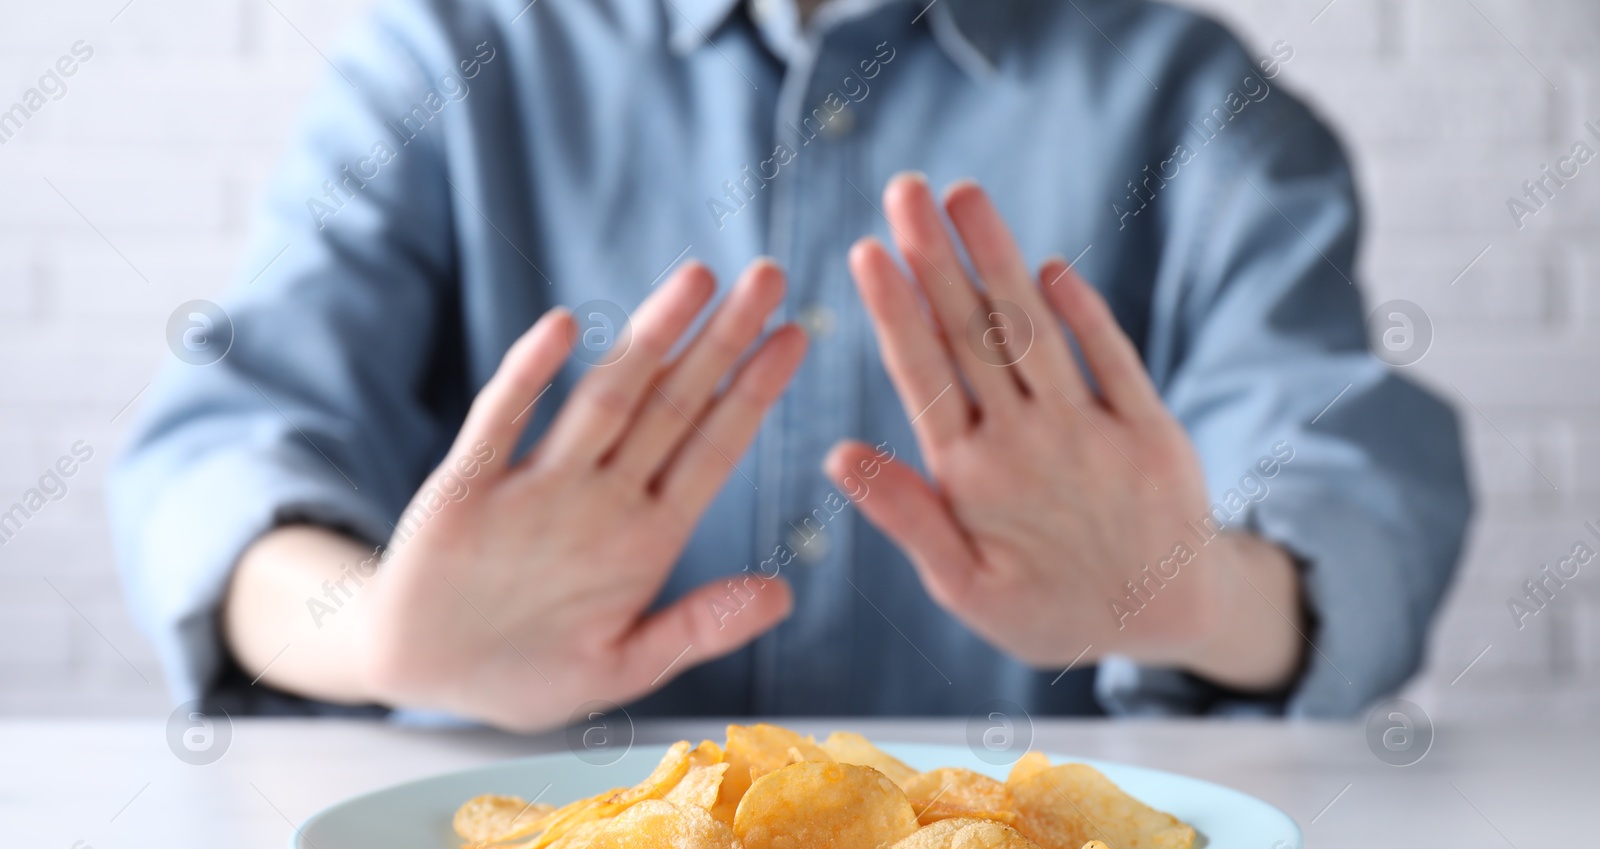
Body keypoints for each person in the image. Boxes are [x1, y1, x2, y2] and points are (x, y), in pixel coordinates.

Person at [109, 0, 1470, 729]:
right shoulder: (444, 52)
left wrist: (1192, 598)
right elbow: (225, 448)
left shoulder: (1194, 92)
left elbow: (1354, 484)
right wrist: (377, 637)